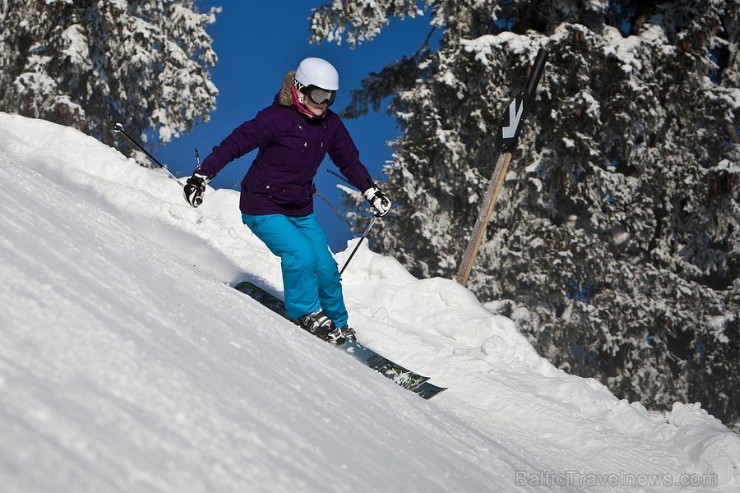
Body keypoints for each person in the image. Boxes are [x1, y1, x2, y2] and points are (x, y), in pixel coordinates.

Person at [183, 57, 391, 344]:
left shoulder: (330, 125)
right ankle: (305, 312)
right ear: (299, 89)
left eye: (330, 97)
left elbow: (350, 161)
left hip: (300, 210)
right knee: (301, 255)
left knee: (326, 267)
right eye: (319, 95)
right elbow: (235, 143)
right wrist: (201, 175)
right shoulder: (275, 118)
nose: (324, 104)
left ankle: (339, 323)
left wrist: (371, 191)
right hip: (262, 206)